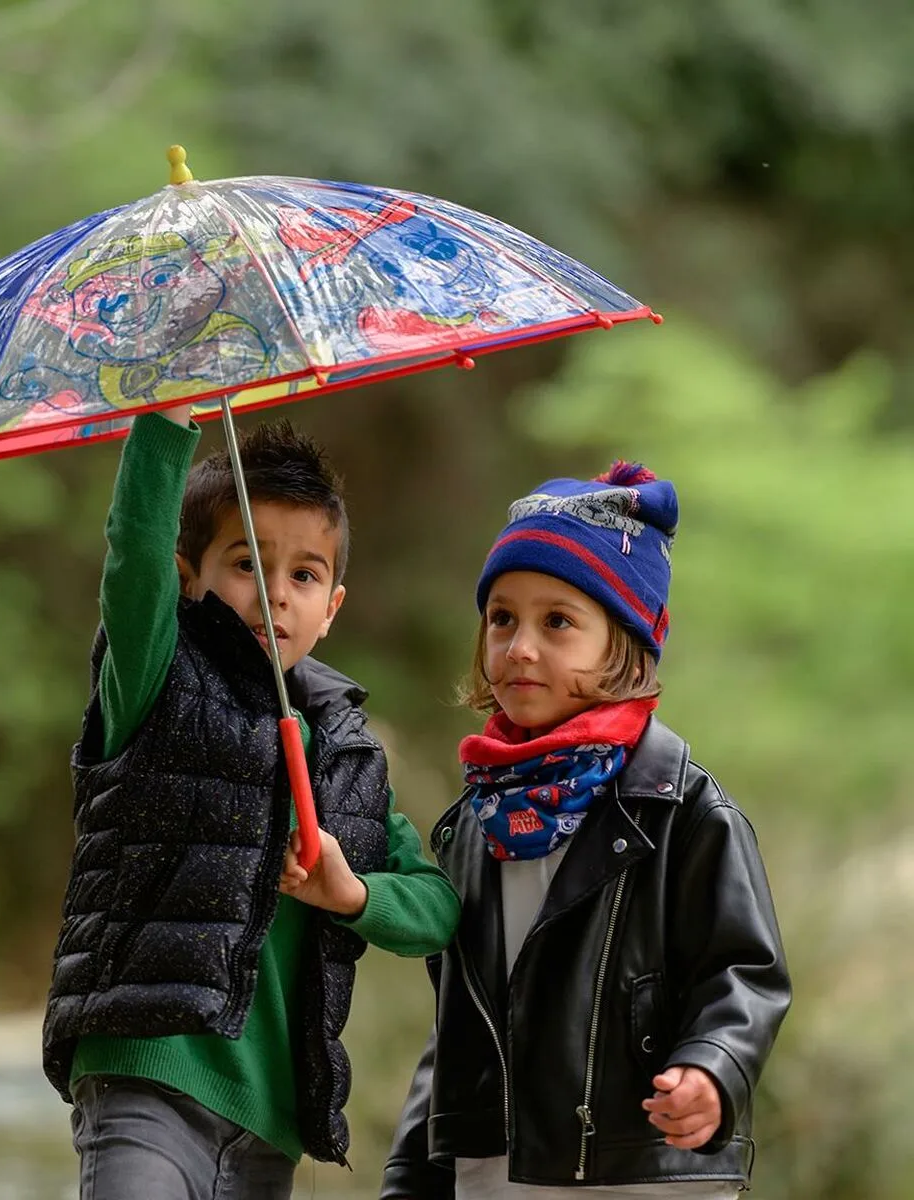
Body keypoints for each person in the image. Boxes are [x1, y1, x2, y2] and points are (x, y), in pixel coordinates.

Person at [42, 401, 460, 1200]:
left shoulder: (347, 757)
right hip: (149, 1069)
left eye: (303, 574)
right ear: (188, 575)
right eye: (245, 563)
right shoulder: (156, 681)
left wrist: (354, 893)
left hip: (269, 1115)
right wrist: (165, 420)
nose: (275, 593)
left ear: (333, 605)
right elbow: (131, 559)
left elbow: (436, 907)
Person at [381, 461, 791, 1199]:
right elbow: (458, 1027)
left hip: (644, 1168)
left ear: (625, 644)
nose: (520, 647)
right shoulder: (473, 827)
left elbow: (744, 973)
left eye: (558, 622)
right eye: (502, 618)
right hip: (498, 1173)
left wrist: (712, 1069)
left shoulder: (686, 813)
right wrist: (412, 1174)